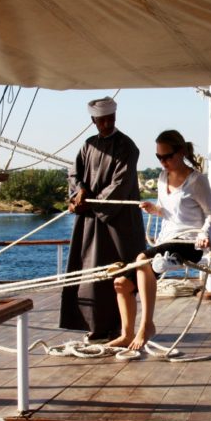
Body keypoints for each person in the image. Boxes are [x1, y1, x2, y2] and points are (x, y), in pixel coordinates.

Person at [110, 130, 211, 350]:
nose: (163, 162)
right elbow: (169, 212)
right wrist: (155, 209)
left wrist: (204, 234)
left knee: (142, 259)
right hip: (165, 241)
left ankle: (147, 325)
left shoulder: (196, 180)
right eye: (159, 157)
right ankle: (127, 334)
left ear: (180, 152)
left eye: (167, 156)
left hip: (189, 242)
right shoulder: (161, 178)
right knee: (121, 283)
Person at [59, 97, 146, 341]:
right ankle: (94, 327)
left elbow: (122, 183)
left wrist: (90, 202)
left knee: (118, 276)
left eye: (111, 119)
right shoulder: (88, 145)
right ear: (93, 121)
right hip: (90, 223)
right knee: (89, 275)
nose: (107, 123)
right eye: (102, 120)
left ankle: (117, 328)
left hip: (118, 224)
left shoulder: (128, 147)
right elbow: (74, 173)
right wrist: (80, 192)